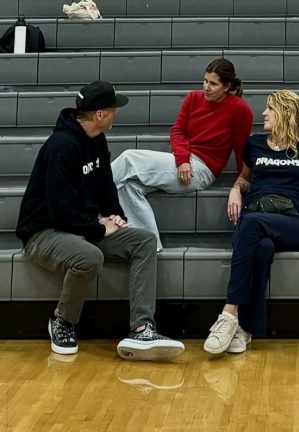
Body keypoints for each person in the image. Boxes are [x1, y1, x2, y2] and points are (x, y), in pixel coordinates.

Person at [16, 80, 183, 360]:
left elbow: (106, 190)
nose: (117, 113)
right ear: (100, 115)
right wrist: (97, 227)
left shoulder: (98, 140)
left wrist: (117, 218)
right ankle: (62, 321)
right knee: (89, 256)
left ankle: (142, 329)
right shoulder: (61, 147)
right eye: (113, 109)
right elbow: (60, 211)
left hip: (80, 228)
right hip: (44, 233)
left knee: (144, 241)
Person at [203, 89, 299, 357]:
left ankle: (229, 313)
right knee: (261, 248)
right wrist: (235, 189)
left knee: (249, 224)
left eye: (269, 109)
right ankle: (246, 329)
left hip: (289, 222)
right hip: (256, 215)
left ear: (286, 112)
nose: (263, 113)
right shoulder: (255, 144)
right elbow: (244, 178)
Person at [111, 58, 254, 249]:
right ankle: (151, 247)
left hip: (203, 170)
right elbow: (177, 131)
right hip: (183, 162)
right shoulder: (193, 98)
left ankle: (85, 193)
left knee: (129, 158)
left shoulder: (240, 109)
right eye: (205, 81)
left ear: (227, 86)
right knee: (128, 186)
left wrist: (241, 184)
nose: (206, 87)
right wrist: (182, 159)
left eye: (213, 83)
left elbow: (242, 150)